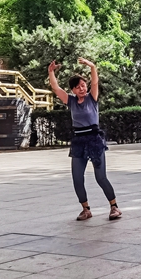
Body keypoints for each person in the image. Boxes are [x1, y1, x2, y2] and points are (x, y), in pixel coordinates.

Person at [48, 58, 121, 221]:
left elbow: (95, 82)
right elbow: (56, 88)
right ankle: (86, 209)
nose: (81, 88)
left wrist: (92, 66)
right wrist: (51, 72)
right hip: (79, 141)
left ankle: (114, 206)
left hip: (94, 139)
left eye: (83, 85)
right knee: (77, 178)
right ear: (73, 90)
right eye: (78, 87)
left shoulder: (91, 98)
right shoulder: (71, 101)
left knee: (100, 177)